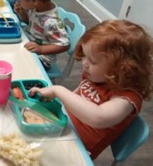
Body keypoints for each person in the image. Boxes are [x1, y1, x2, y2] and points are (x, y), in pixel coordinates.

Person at [28, 20, 153, 160]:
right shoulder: (96, 76)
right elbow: (78, 94)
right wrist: (54, 102)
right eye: (85, 56)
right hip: (61, 126)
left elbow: (99, 117)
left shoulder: (127, 98)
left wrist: (59, 91)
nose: (84, 63)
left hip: (77, 150)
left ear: (122, 69)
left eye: (92, 61)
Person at [10, 0, 70, 68]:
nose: (18, 1)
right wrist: (22, 14)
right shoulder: (37, 8)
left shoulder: (51, 22)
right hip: (29, 42)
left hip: (42, 59)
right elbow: (33, 24)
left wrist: (41, 49)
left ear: (34, 0)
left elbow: (64, 45)